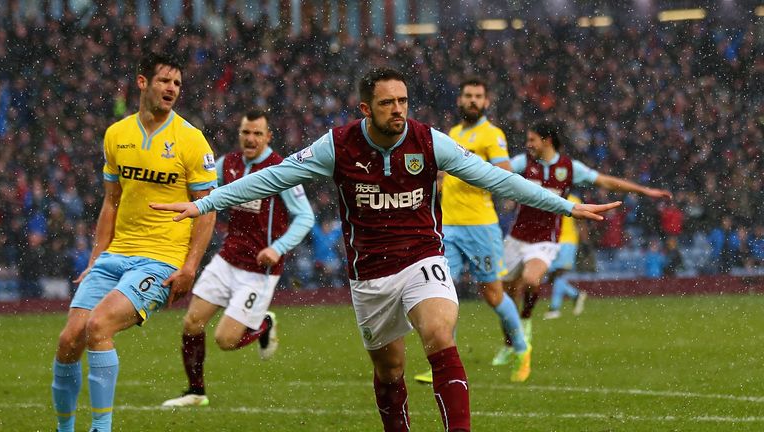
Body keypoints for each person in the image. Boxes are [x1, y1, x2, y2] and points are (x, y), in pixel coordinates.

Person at [151, 68, 620, 432]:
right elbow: (272, 177)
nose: (398, 110)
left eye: (402, 101)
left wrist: (566, 207)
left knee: (439, 332)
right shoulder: (336, 146)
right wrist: (204, 204)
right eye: (387, 103)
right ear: (365, 108)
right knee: (391, 370)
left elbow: (498, 178)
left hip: (422, 258)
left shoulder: (430, 141)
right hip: (369, 275)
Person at [51, 52, 218, 432]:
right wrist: (96, 258)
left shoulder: (191, 140)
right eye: (164, 81)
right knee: (68, 341)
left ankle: (101, 428)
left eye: (177, 83)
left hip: (160, 261)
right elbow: (111, 202)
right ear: (143, 83)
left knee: (99, 326)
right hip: (115, 256)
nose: (172, 89)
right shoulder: (116, 135)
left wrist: (189, 267)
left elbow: (207, 211)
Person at [162, 109, 315, 407]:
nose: (251, 138)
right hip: (227, 258)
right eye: (246, 132)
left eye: (258, 133)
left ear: (268, 137)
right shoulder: (227, 164)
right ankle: (196, 392)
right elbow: (203, 193)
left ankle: (264, 326)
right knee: (192, 323)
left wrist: (277, 248)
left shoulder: (281, 169)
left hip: (259, 270)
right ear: (240, 134)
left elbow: (304, 217)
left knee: (225, 340)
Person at [501, 121, 672, 364]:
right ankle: (509, 342)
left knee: (531, 280)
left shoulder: (569, 167)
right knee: (505, 297)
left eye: (532, 140)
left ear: (546, 140)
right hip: (516, 237)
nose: (528, 145)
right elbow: (495, 172)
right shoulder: (523, 163)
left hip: (546, 239)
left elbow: (605, 181)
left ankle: (526, 321)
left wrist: (644, 191)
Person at [413, 78, 530, 384]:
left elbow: (504, 173)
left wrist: (471, 169)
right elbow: (442, 176)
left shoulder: (492, 134)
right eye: (468, 96)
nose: (473, 100)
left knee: (492, 295)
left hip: (480, 226)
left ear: (486, 102)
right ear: (460, 100)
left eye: (479, 96)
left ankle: (521, 348)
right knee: (440, 293)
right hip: (448, 226)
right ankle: (441, 362)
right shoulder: (452, 134)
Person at [543, 193, 588, 320]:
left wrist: (584, 242)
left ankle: (554, 308)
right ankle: (575, 294)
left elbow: (581, 222)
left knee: (559, 274)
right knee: (551, 276)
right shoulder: (551, 197)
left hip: (568, 242)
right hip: (552, 241)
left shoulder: (574, 200)